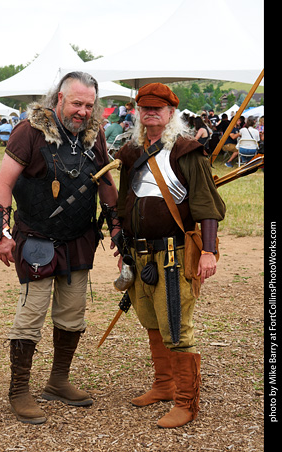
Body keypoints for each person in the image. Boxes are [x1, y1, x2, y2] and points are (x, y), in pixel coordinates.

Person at [0, 71, 119, 425]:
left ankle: (58, 381)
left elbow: (106, 182)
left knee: (72, 315)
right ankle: (19, 391)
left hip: (79, 239)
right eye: (77, 103)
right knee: (31, 316)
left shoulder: (94, 136)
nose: (83, 111)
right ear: (59, 98)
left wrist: (117, 225)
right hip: (37, 241)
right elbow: (2, 187)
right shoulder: (28, 132)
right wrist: (1, 234)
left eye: (89, 105)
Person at [115, 82, 226, 429]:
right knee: (152, 322)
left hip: (174, 256)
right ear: (139, 113)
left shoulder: (186, 151)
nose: (151, 113)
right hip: (139, 255)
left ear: (171, 113)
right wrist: (123, 247)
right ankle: (164, 385)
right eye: (145, 108)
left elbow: (206, 204)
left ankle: (186, 403)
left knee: (177, 329)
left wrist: (207, 251)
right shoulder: (131, 153)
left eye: (157, 109)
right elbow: (123, 205)